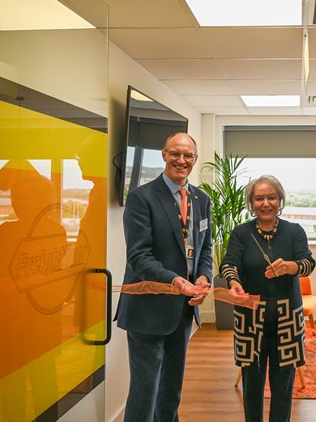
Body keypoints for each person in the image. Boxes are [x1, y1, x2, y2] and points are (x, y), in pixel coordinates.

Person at [115, 132, 212, 422]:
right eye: (175, 154)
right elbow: (139, 257)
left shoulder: (201, 199)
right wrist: (176, 281)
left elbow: (204, 248)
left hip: (183, 310)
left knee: (171, 389)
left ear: (194, 159)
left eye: (188, 156)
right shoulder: (141, 198)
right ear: (164, 155)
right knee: (145, 391)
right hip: (148, 309)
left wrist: (204, 277)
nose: (181, 160)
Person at [221, 175, 315, 422]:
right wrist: (234, 283)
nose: (266, 203)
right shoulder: (241, 233)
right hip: (250, 315)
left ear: (280, 200)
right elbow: (229, 264)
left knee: (284, 383)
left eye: (271, 197)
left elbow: (308, 263)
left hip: (288, 319)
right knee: (252, 383)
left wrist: (291, 267)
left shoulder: (294, 231)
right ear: (251, 203)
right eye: (259, 198)